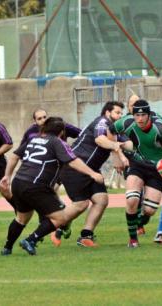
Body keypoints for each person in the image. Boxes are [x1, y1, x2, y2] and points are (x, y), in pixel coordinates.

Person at [0, 117, 104, 256]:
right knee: (61, 218)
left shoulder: (34, 139)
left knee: (21, 218)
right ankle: (31, 240)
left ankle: (7, 248)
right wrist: (92, 173)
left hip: (19, 182)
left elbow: (14, 156)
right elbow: (72, 161)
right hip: (36, 185)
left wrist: (7, 176)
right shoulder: (57, 142)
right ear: (61, 132)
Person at [53, 101, 126, 247]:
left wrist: (120, 155)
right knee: (81, 204)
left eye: (121, 113)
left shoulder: (115, 129)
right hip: (76, 168)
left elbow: (119, 144)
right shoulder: (102, 122)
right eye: (117, 112)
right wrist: (116, 147)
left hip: (91, 170)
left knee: (101, 200)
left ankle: (86, 236)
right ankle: (49, 228)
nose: (120, 116)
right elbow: (100, 139)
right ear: (107, 113)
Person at [110, 99, 162, 248]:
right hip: (136, 164)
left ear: (149, 114)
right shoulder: (126, 122)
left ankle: (139, 222)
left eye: (143, 115)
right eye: (137, 115)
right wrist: (116, 156)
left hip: (157, 168)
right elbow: (110, 131)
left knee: (149, 210)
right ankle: (133, 240)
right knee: (132, 199)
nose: (140, 119)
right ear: (133, 114)